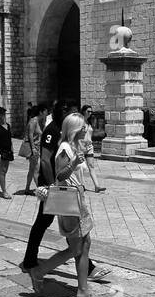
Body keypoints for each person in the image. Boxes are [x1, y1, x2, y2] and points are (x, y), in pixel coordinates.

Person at [20, 99, 108, 282]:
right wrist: (54, 187)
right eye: (71, 113)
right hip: (56, 187)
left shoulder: (62, 131)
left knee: (49, 224)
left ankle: (32, 261)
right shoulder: (52, 131)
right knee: (51, 224)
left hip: (62, 188)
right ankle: (84, 268)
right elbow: (45, 160)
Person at [29, 113, 96, 297]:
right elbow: (60, 176)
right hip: (69, 202)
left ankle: (83, 289)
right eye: (82, 127)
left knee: (86, 244)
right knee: (76, 249)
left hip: (78, 199)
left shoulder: (74, 146)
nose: (85, 129)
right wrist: (75, 162)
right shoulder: (65, 148)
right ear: (74, 128)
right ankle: (39, 271)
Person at [19, 102, 44, 195]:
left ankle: (27, 189)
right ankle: (40, 190)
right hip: (33, 149)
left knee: (32, 169)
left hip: (36, 148)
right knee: (36, 169)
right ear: (40, 112)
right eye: (45, 111)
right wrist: (33, 148)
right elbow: (30, 134)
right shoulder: (34, 121)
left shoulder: (37, 121)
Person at [80, 104, 106, 193]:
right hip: (81, 146)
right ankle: (81, 185)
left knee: (91, 166)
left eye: (91, 111)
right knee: (81, 167)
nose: (90, 113)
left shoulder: (89, 122)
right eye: (88, 111)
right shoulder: (79, 122)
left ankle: (97, 186)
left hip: (89, 146)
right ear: (83, 111)